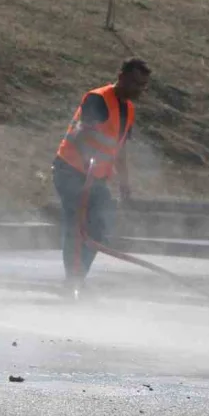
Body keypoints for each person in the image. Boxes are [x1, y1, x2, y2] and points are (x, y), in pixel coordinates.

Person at [51, 58, 151, 293]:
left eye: (143, 85)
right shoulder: (98, 98)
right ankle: (73, 282)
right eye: (135, 82)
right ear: (121, 76)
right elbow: (80, 134)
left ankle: (78, 278)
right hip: (72, 171)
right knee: (77, 225)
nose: (139, 89)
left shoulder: (129, 109)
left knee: (100, 226)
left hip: (95, 178)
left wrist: (125, 184)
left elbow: (120, 149)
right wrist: (88, 160)